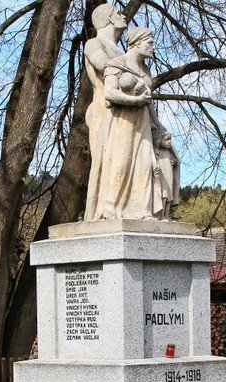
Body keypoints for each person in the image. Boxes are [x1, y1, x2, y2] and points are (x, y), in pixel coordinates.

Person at [87, 27, 168, 220]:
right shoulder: (117, 63)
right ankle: (109, 207)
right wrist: (135, 101)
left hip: (143, 120)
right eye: (150, 42)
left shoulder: (145, 71)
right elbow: (110, 93)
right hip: (122, 120)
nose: (153, 47)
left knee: (145, 163)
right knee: (120, 161)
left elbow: (149, 102)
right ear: (137, 42)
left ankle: (142, 211)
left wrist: (159, 126)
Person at [83, 4, 127, 220]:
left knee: (124, 160)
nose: (123, 16)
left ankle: (122, 207)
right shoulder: (94, 44)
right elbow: (104, 66)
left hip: (126, 112)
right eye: (118, 13)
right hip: (104, 109)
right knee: (106, 160)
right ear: (108, 19)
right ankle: (102, 209)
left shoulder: (123, 51)